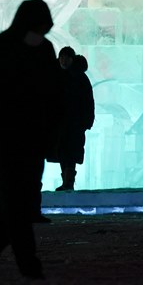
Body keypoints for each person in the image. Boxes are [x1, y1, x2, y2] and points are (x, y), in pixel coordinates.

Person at [0, 0, 65, 280]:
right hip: (8, 142)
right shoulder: (4, 51)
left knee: (19, 205)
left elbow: (51, 95)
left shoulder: (18, 48)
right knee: (19, 205)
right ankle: (26, 265)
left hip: (24, 142)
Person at [49, 53, 95, 191]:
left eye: (66, 57)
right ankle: (67, 182)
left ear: (72, 59)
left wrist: (86, 120)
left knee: (70, 152)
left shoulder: (79, 78)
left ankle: (68, 182)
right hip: (61, 123)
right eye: (62, 57)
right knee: (63, 152)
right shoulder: (58, 76)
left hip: (75, 122)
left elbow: (88, 101)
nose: (64, 60)